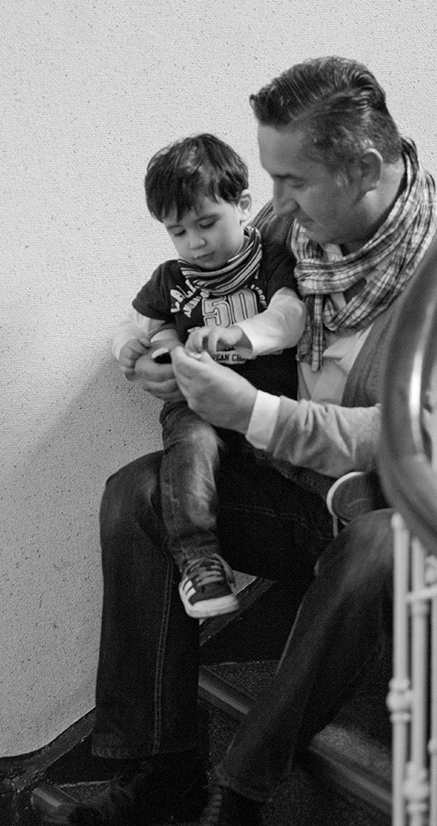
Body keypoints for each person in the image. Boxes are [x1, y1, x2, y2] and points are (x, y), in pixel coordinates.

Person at [42, 56, 437, 826]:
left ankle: (240, 791)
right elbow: (227, 311)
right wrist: (172, 359)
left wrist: (247, 412)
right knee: (138, 494)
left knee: (379, 546)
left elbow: (420, 441)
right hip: (309, 490)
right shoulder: (296, 226)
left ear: (365, 167)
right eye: (269, 178)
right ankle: (163, 762)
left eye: (291, 181)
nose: (275, 203)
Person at [112, 133, 306, 618]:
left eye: (206, 223)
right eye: (178, 232)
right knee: (189, 450)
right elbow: (137, 326)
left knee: (298, 451)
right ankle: (200, 563)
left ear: (242, 205)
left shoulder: (269, 260)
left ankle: (353, 507)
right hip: (196, 403)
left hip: (264, 398)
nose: (195, 243)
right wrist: (139, 350)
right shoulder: (171, 279)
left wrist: (240, 334)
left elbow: (291, 316)